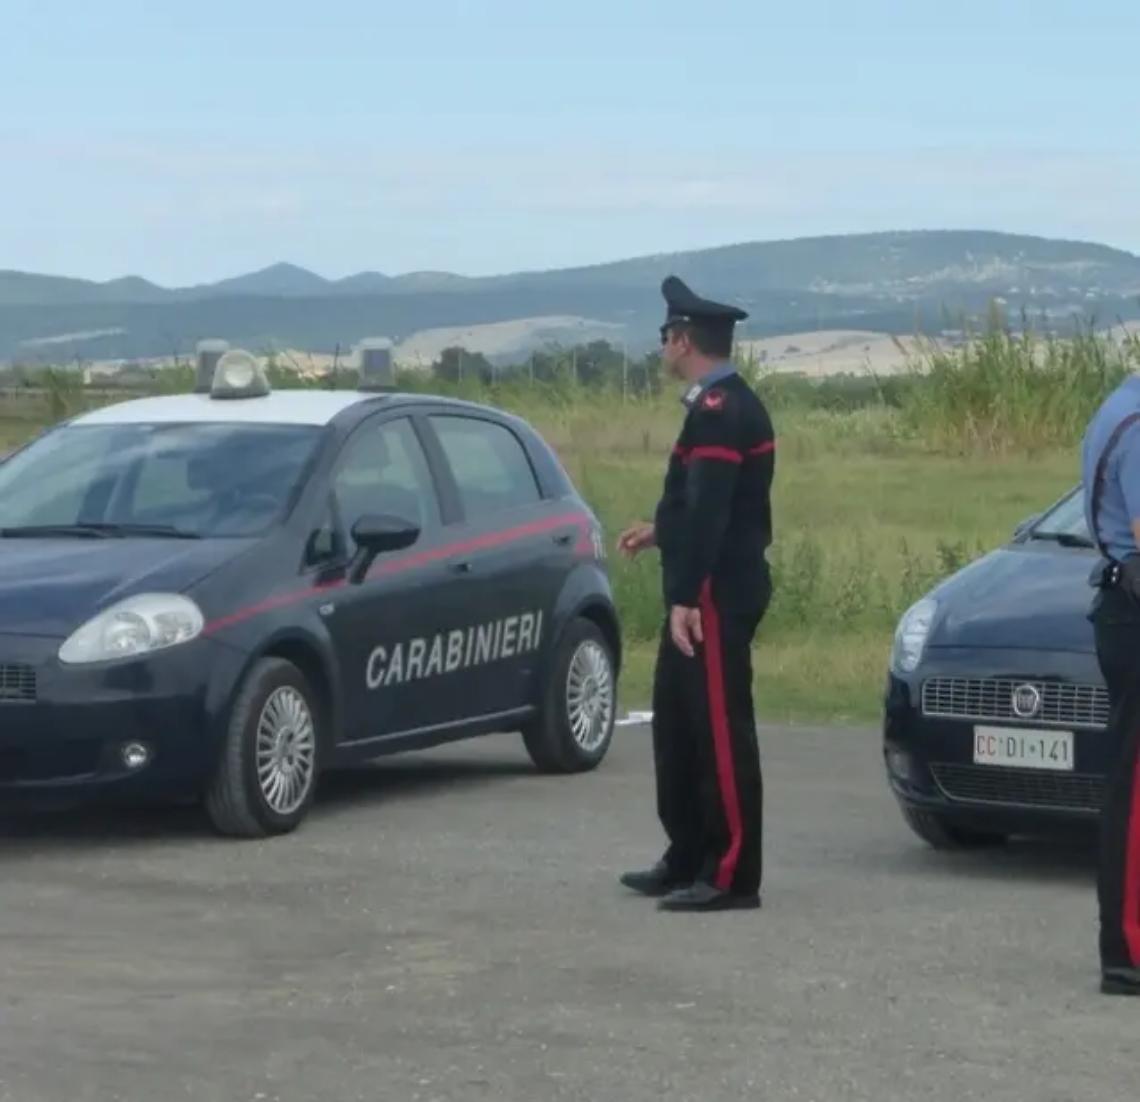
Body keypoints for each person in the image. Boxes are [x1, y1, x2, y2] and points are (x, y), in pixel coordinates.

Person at [617, 275, 776, 912]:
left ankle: (731, 872)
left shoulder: (720, 412)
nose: (662, 346)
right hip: (701, 583)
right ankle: (687, 854)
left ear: (683, 339)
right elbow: (706, 504)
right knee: (678, 727)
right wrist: (661, 531)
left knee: (717, 730)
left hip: (713, 592)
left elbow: (712, 509)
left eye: (666, 335)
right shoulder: (716, 405)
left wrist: (686, 596)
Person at [1082, 370, 1140, 995]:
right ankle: (1129, 948)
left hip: (1123, 607)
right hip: (1135, 611)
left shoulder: (1120, 402)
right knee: (1136, 793)